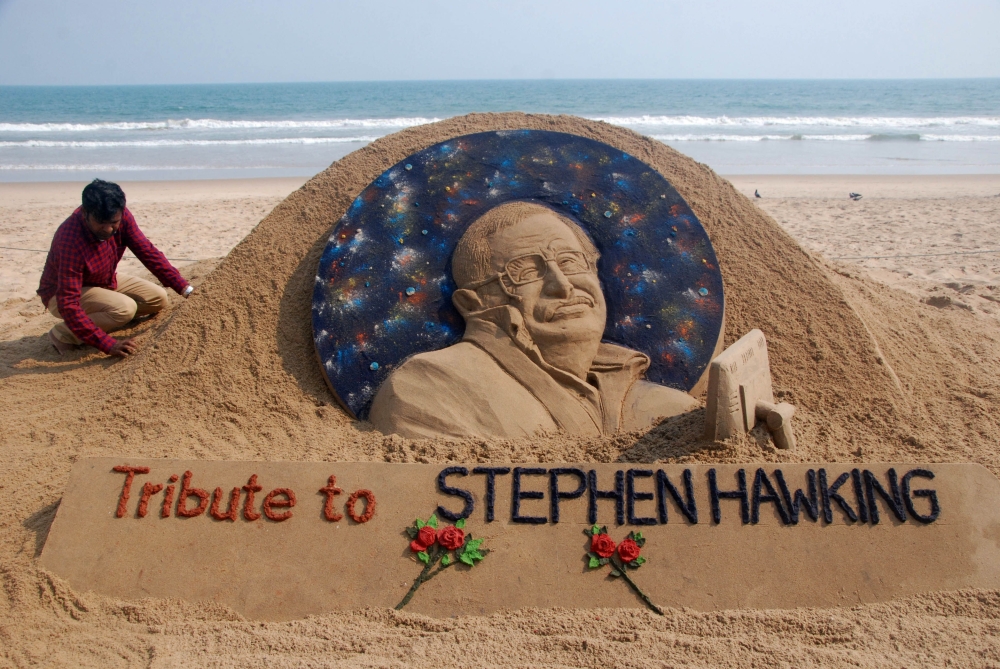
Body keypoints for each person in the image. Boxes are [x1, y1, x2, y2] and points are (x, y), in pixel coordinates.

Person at [369, 200, 698, 439]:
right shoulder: (431, 387)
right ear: (473, 304)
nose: (563, 285)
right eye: (525, 271)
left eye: (570, 262)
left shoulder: (661, 405)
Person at [37, 179, 193, 357]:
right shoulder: (70, 238)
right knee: (124, 309)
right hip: (60, 293)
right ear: (85, 213)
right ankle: (62, 333)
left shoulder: (122, 217)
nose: (108, 229)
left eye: (113, 222)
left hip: (103, 279)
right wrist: (107, 344)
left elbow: (148, 252)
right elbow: (68, 302)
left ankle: (108, 317)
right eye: (101, 222)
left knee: (159, 298)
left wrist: (186, 289)